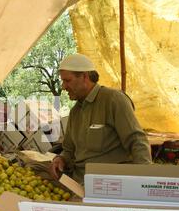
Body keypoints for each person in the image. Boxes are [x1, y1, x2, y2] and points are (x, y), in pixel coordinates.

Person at [49, 53, 151, 183]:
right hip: (79, 181)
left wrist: (144, 181)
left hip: (109, 183)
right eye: (63, 81)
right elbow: (69, 149)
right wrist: (60, 159)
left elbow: (137, 141)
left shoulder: (113, 99)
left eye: (67, 81)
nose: (63, 87)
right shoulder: (75, 111)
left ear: (84, 77)